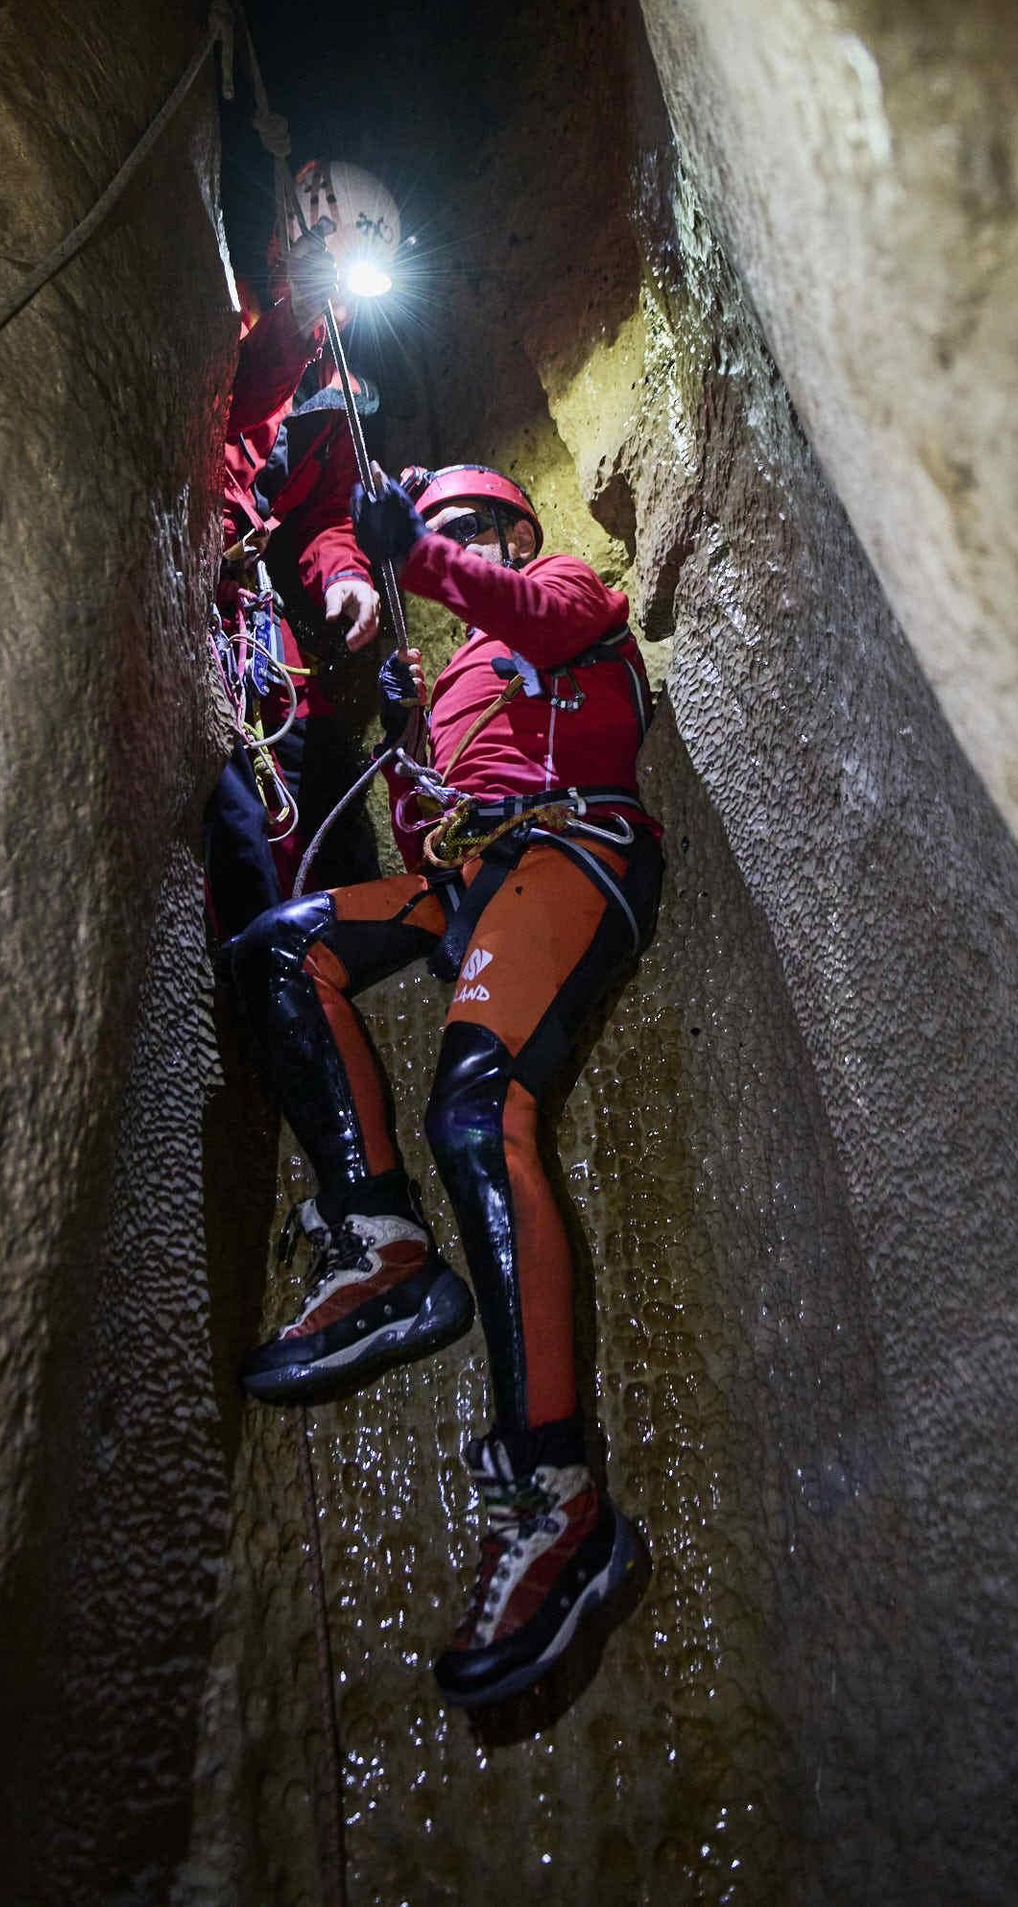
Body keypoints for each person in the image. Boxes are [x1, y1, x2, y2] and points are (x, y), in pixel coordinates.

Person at [227, 461, 662, 1708]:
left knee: (478, 1111)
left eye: (479, 525)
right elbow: (427, 826)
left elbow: (538, 616)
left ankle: (556, 1492)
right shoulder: (446, 682)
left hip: (573, 840)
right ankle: (379, 1240)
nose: (458, 539)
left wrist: (414, 553)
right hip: (472, 876)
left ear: (518, 532)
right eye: (447, 523)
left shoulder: (570, 587)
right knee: (279, 948)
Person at [205, 161, 399, 939]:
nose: (344, 306)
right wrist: (292, 328)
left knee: (308, 772)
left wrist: (347, 577)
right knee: (235, 824)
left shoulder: (337, 378)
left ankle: (311, 970)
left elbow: (326, 510)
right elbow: (219, 411)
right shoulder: (227, 310)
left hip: (253, 607)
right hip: (196, 588)